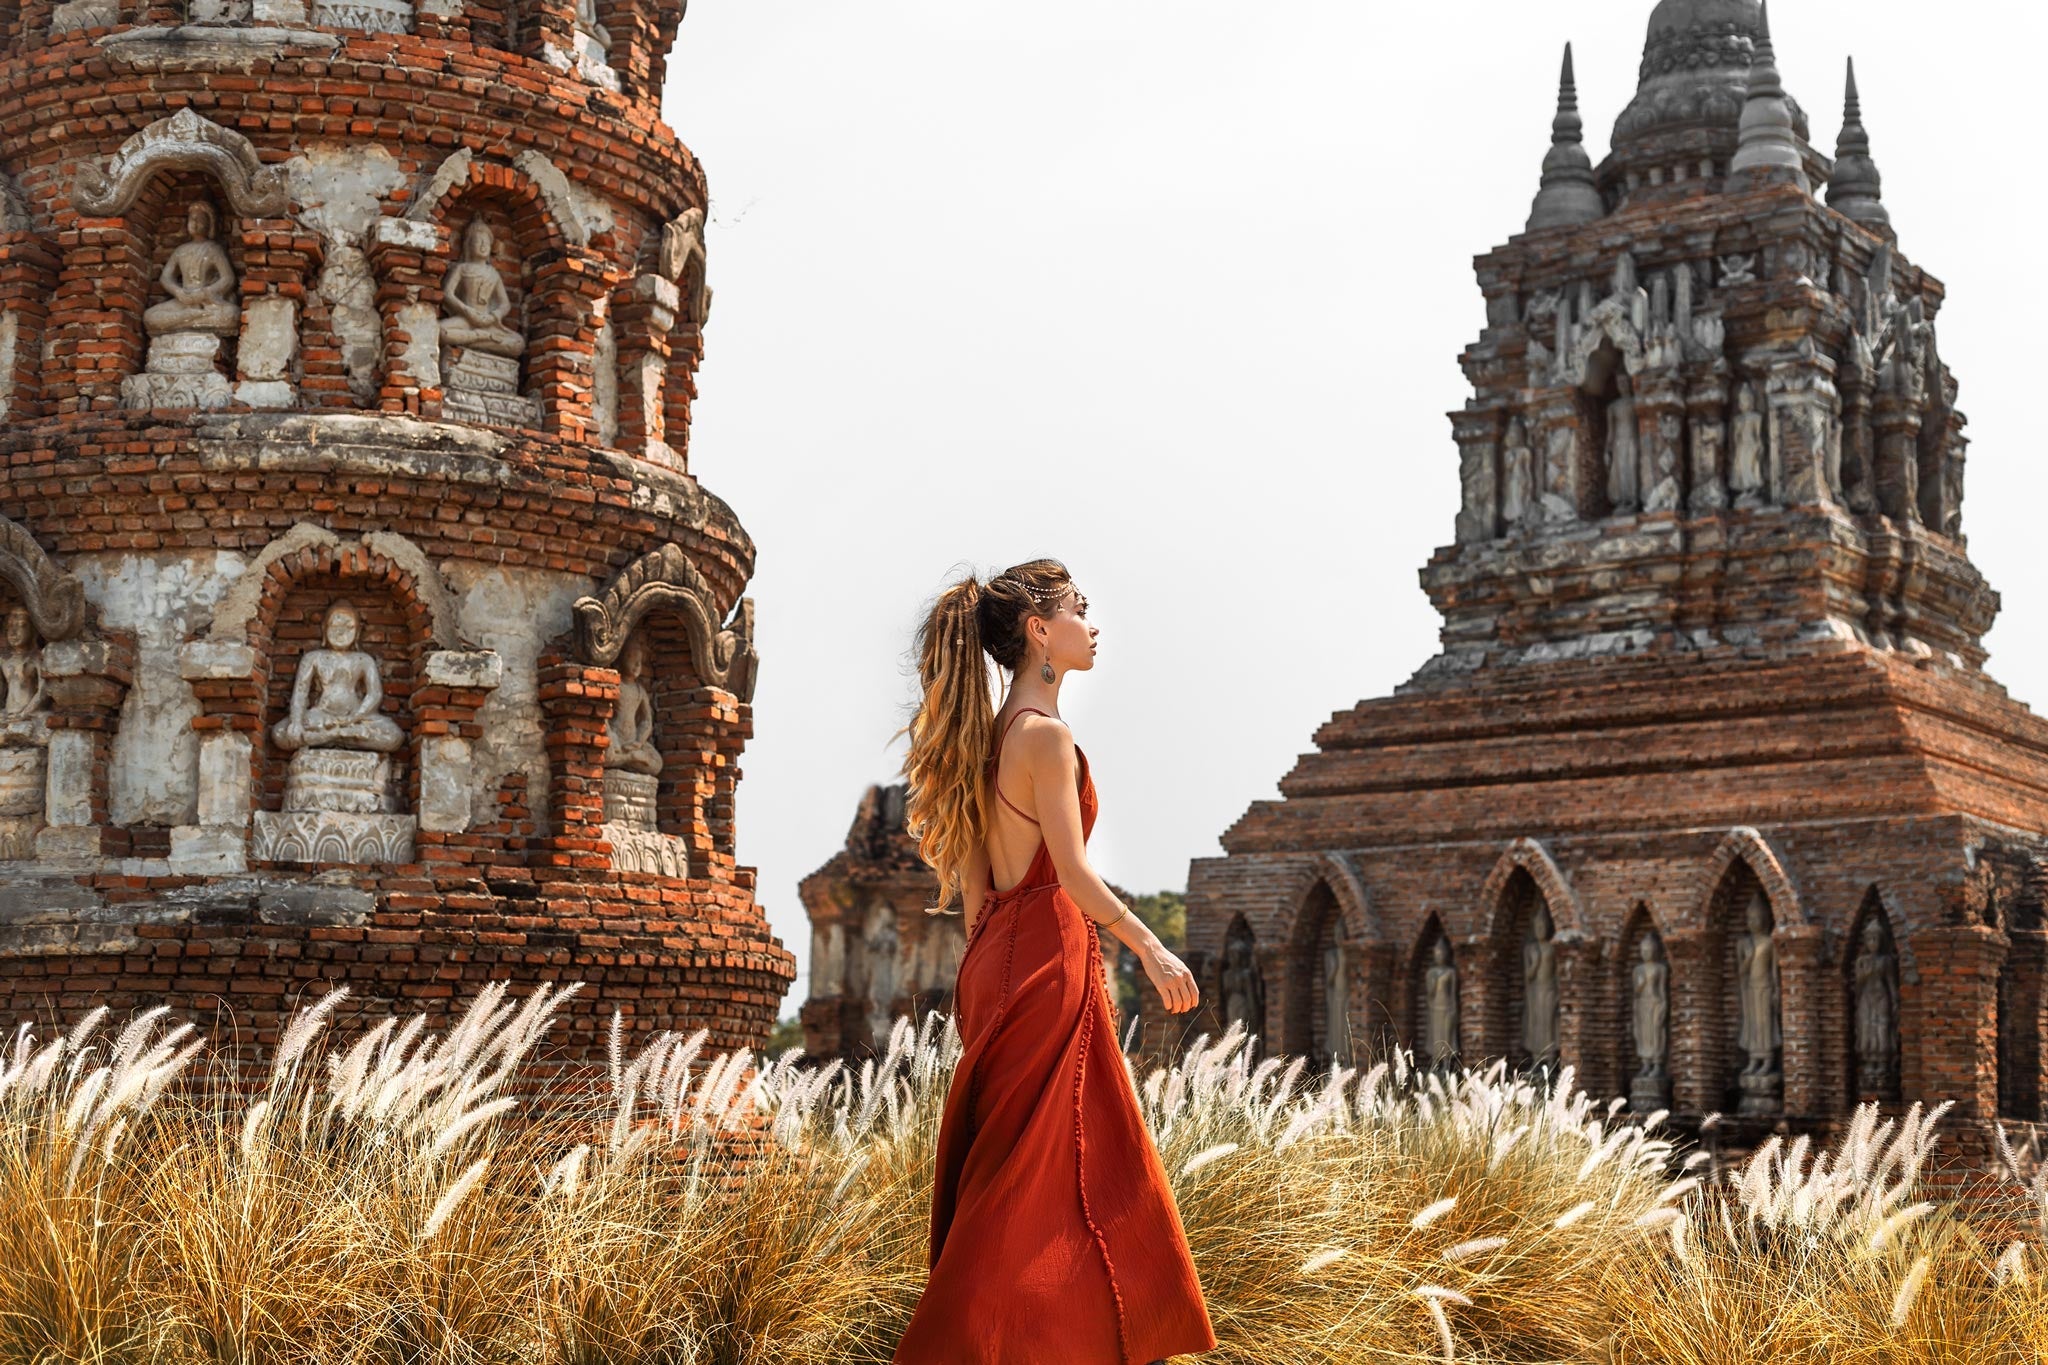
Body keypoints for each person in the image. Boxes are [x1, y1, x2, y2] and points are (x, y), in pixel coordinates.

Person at [893, 558, 1216, 1365]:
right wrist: (1151, 943)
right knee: (1051, 1175)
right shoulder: (1047, 738)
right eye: (1078, 607)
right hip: (1048, 956)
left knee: (1019, 1172)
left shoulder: (983, 737)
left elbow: (975, 890)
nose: (1091, 622)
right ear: (1039, 630)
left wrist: (986, 974)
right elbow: (1070, 874)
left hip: (996, 956)